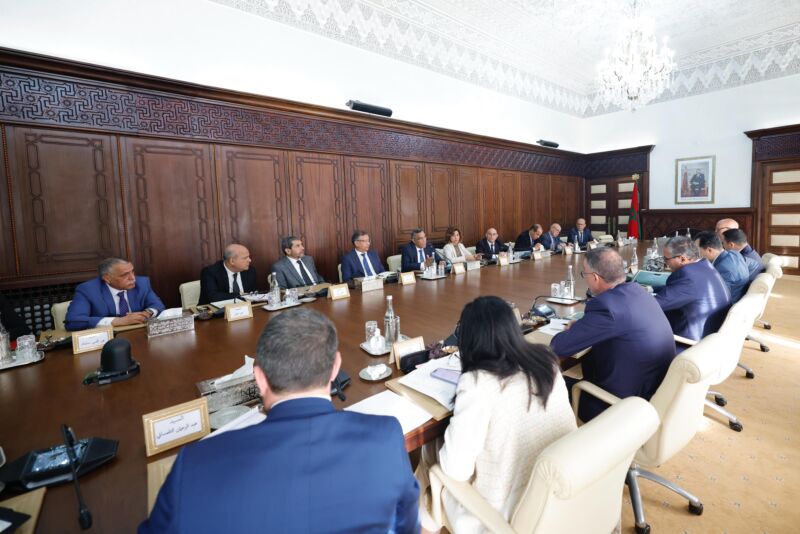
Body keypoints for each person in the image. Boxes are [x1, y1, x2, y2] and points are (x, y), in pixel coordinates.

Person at [141, 308, 419, 533]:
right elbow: (407, 526)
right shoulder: (385, 436)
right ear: (336, 367)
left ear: (259, 378)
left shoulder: (193, 464)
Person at [417, 296, 576, 533]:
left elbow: (455, 470)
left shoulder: (479, 383)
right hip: (561, 493)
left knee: (428, 460)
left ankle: (425, 519)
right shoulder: (546, 361)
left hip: (504, 513)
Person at [550, 248, 676, 422]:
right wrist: (582, 327)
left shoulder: (606, 306)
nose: (584, 278)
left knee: (547, 382)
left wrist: (571, 331)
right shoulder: (638, 291)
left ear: (595, 277)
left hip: (620, 406)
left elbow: (558, 347)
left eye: (584, 274)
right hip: (653, 393)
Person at [654, 236, 731, 343]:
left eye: (666, 259)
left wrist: (636, 293)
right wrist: (651, 289)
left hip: (691, 343)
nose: (665, 263)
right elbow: (680, 289)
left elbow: (655, 305)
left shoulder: (687, 276)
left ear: (682, 259)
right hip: (711, 334)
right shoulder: (704, 266)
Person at [64, 258, 165, 331]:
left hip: (138, 333)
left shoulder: (142, 283)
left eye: (132, 272)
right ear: (107, 278)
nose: (132, 278)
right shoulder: (88, 290)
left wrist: (147, 313)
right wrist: (118, 321)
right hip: (107, 340)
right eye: (125, 275)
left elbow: (157, 305)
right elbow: (73, 321)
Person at [694, 231, 750, 303]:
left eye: (697, 250)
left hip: (728, 305)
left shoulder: (723, 269)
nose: (695, 254)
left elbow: (716, 297)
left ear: (709, 250)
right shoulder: (734, 253)